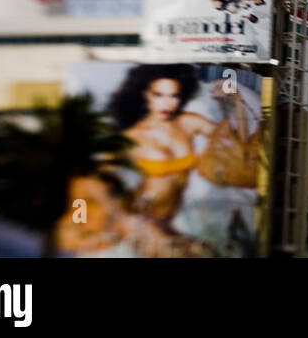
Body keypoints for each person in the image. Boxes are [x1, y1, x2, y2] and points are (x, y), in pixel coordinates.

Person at [57, 65, 257, 258]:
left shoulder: (188, 123)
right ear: (146, 95)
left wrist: (234, 102)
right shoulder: (134, 137)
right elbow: (85, 186)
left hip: (171, 220)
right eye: (158, 95)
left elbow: (235, 144)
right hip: (143, 219)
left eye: (173, 95)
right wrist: (80, 221)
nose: (166, 103)